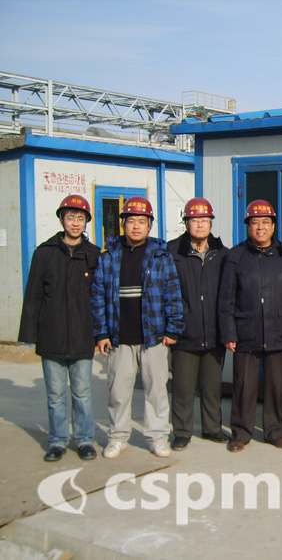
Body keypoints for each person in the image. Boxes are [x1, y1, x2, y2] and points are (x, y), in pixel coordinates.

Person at [91, 196, 184, 459]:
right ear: (123, 224)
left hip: (153, 336)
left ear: (149, 225)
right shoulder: (108, 257)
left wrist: (173, 328)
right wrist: (101, 333)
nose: (136, 226)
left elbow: (173, 293)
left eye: (142, 221)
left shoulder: (161, 256)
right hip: (119, 336)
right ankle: (117, 437)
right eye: (131, 220)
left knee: (156, 391)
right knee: (118, 392)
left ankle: (157, 437)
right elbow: (97, 296)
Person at [18, 195, 100, 462]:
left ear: (86, 222)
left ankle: (85, 440)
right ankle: (57, 441)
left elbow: (100, 297)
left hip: (82, 335)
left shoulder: (93, 255)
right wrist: (30, 334)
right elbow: (33, 296)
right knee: (55, 394)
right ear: (62, 219)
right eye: (70, 217)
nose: (75, 223)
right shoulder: (45, 253)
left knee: (82, 393)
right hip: (51, 334)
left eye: (80, 218)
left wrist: (101, 333)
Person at [219, 200, 282, 452]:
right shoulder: (235, 257)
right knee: (244, 385)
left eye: (265, 222)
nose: (260, 227)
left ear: (273, 226)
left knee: (277, 385)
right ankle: (241, 433)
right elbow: (226, 299)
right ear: (248, 226)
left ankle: (275, 431)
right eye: (254, 222)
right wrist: (228, 332)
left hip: (279, 330)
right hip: (246, 330)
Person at [167, 198, 230, 451]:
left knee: (212, 387)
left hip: (214, 332)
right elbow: (165, 292)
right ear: (186, 223)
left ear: (211, 223)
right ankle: (182, 432)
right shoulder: (172, 252)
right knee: (182, 388)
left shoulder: (223, 254)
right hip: (185, 332)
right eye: (195, 220)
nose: (200, 225)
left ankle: (212, 428)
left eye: (204, 220)